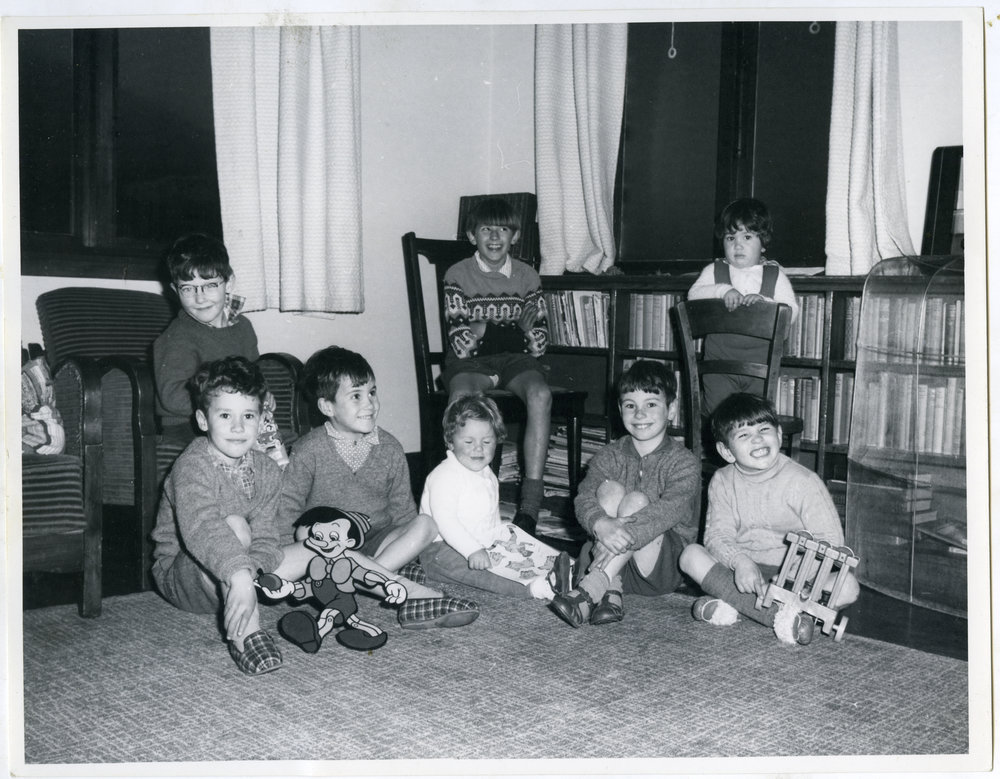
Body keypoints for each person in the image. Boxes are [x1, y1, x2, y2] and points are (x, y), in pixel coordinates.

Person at [276, 345, 479, 630]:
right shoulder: (309, 449)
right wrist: (288, 552)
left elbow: (403, 511)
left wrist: (411, 547)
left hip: (377, 539)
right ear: (327, 407)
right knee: (305, 531)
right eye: (356, 396)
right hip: (329, 544)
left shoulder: (391, 448)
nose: (369, 403)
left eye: (372, 392)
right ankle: (386, 582)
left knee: (426, 524)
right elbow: (288, 507)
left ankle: (360, 578)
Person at [678, 393, 860, 645]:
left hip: (796, 577)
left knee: (848, 586)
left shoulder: (803, 481)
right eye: (743, 435)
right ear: (726, 451)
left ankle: (734, 604)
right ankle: (783, 616)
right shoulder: (722, 480)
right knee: (690, 556)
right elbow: (716, 536)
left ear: (779, 435)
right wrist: (739, 561)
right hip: (743, 573)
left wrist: (796, 576)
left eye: (764, 429)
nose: (757, 438)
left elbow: (831, 542)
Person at [150, 356, 285, 675]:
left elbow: (266, 537)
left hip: (239, 573)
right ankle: (245, 634)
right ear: (202, 419)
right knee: (235, 526)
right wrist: (240, 575)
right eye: (225, 415)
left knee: (312, 551)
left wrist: (250, 572)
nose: (238, 428)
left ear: (261, 419)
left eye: (248, 415)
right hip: (184, 575)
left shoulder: (268, 470)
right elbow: (203, 528)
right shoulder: (192, 465)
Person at [550, 360, 701, 628]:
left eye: (651, 404)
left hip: (656, 569)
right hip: (609, 560)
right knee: (608, 489)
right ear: (620, 410)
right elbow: (584, 497)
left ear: (672, 409)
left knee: (637, 501)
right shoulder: (608, 455)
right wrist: (600, 524)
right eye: (631, 405)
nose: (640, 413)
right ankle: (611, 591)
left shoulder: (684, 462)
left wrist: (616, 534)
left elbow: (669, 510)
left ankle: (588, 591)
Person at [442, 196, 551, 535]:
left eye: (502, 229)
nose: (494, 237)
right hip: (472, 364)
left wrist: (485, 330)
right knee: (462, 397)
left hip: (515, 362)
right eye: (485, 229)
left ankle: (530, 505)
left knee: (540, 394)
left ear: (514, 236)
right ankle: (460, 492)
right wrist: (515, 330)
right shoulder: (457, 274)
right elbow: (462, 343)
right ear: (472, 235)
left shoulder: (528, 276)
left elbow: (538, 344)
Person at [152, 232, 287, 466]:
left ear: (229, 283)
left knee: (277, 460)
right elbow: (172, 396)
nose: (200, 297)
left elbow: (253, 377)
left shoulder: (243, 327)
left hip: (238, 420)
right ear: (176, 291)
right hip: (191, 427)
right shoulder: (176, 337)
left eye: (210, 285)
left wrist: (262, 394)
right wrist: (224, 403)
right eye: (188, 288)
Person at [419, 394, 571, 600]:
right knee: (484, 575)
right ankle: (534, 588)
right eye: (469, 441)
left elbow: (491, 514)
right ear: (450, 441)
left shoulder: (487, 473)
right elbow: (446, 522)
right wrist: (472, 550)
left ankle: (561, 568)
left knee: (520, 550)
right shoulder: (444, 476)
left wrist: (502, 540)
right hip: (440, 551)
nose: (478, 448)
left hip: (482, 542)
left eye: (487, 441)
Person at [687, 197, 799, 414]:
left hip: (760, 366)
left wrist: (765, 304)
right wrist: (722, 291)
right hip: (718, 363)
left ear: (764, 243)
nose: (737, 244)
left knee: (754, 418)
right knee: (717, 417)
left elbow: (791, 311)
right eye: (730, 237)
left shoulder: (774, 274)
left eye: (747, 236)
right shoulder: (714, 270)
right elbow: (693, 295)